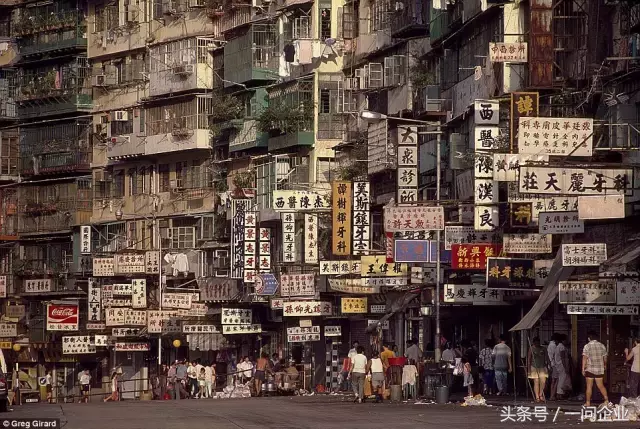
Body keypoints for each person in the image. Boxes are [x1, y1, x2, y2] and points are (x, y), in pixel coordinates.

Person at [583, 330, 610, 407]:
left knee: (589, 386)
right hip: (599, 369)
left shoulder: (587, 346)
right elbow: (605, 358)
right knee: (601, 385)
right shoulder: (602, 346)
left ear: (589, 338)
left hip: (590, 369)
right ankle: (606, 400)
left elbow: (584, 358)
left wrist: (583, 369)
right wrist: (605, 365)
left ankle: (588, 402)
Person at [527, 337, 548, 402]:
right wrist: (529, 369)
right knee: (536, 381)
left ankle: (541, 394)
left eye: (538, 342)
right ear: (533, 343)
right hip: (534, 367)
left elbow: (546, 358)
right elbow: (529, 359)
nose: (537, 344)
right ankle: (537, 396)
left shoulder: (543, 348)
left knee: (543, 381)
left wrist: (548, 366)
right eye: (535, 342)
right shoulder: (531, 348)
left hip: (542, 366)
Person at [548, 334, 559, 401]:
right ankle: (552, 395)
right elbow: (555, 356)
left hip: (551, 364)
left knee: (553, 380)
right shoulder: (553, 345)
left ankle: (552, 395)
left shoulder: (550, 345)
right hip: (554, 364)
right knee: (556, 380)